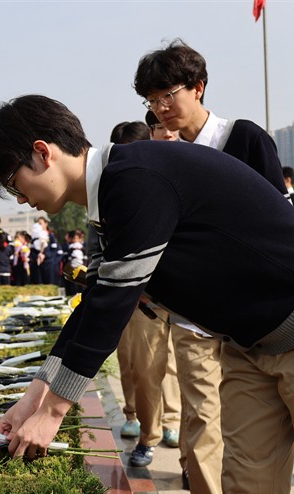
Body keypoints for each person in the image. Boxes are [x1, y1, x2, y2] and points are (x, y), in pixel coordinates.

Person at [0, 95, 294, 494]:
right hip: (249, 348)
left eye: (14, 183)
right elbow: (96, 301)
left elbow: (113, 305)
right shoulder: (111, 200)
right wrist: (33, 398)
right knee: (248, 489)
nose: (21, 199)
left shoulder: (136, 178)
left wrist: (53, 413)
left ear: (42, 153)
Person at [135, 39, 294, 494]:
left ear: (198, 87)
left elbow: (285, 227)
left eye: (169, 95)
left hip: (262, 319)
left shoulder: (243, 139)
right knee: (204, 420)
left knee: (280, 441)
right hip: (198, 320)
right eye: (152, 101)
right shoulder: (164, 160)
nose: (161, 108)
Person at [108, 121, 182, 467]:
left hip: (184, 297)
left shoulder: (179, 173)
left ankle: (175, 427)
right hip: (142, 298)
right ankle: (146, 431)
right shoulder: (115, 194)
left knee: (179, 371)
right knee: (143, 368)